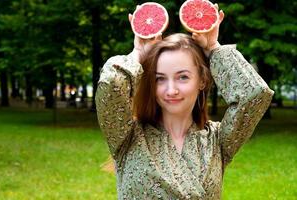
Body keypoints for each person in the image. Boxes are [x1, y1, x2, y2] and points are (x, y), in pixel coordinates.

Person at [96, 5, 274, 200]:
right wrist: (138, 52)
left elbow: (254, 95)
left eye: (182, 77)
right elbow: (111, 84)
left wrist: (214, 49)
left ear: (202, 81)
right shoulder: (127, 137)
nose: (171, 90)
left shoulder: (218, 141)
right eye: (160, 79)